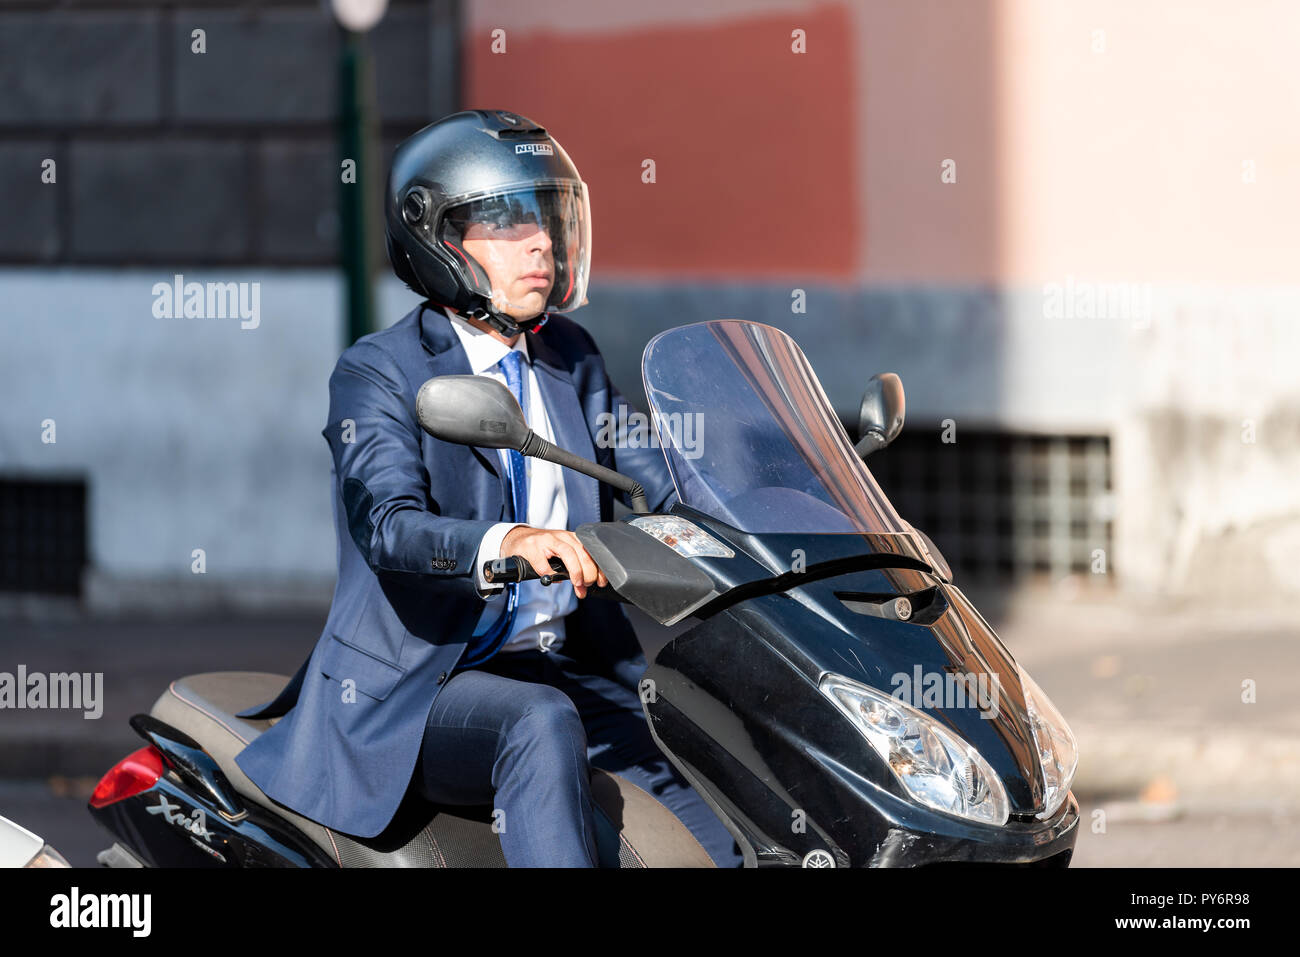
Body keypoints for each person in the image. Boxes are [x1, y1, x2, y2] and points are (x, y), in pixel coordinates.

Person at [232, 109, 743, 868]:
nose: (540, 239)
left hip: (567, 663)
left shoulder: (571, 356)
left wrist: (776, 510)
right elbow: (390, 527)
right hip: (422, 684)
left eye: (544, 215)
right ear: (440, 240)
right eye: (505, 221)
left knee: (713, 834)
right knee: (537, 721)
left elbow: (656, 479)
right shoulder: (379, 373)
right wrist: (513, 541)